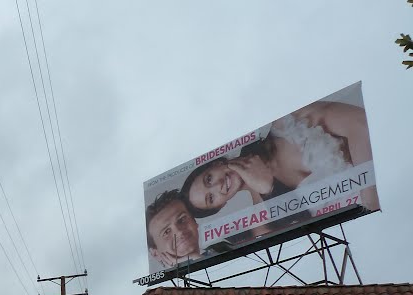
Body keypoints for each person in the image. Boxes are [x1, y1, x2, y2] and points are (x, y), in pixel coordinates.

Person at [182, 98, 377, 220]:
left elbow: (359, 122)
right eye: (211, 198)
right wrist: (269, 190)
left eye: (209, 178)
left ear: (216, 163)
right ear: (220, 205)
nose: (218, 186)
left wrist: (370, 201)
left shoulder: (283, 127)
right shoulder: (263, 217)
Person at [145, 190, 202, 267]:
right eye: (167, 232)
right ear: (155, 253)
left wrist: (196, 258)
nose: (179, 232)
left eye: (182, 220)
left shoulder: (221, 248)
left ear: (194, 221)